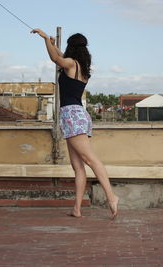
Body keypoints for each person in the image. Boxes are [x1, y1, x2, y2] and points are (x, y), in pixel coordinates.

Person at [31, 29, 119, 219]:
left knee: (90, 159)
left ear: (72, 47)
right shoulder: (80, 67)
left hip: (72, 115)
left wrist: (46, 39)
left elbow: (56, 59)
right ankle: (77, 209)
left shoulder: (71, 64)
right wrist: (53, 44)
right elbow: (59, 56)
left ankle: (111, 196)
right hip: (76, 115)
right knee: (77, 166)